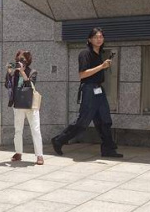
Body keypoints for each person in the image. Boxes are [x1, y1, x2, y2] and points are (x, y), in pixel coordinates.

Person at [51, 27, 122, 158]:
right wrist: (102, 66)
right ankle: (59, 140)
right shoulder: (85, 53)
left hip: (99, 89)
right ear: (89, 39)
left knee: (105, 120)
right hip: (89, 89)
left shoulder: (99, 54)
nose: (99, 39)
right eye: (96, 37)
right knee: (82, 122)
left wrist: (103, 66)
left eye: (101, 37)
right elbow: (82, 75)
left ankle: (108, 149)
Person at [6, 50, 43, 165]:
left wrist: (22, 72)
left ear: (28, 61)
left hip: (30, 104)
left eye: (22, 60)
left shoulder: (32, 72)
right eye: (18, 60)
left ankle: (39, 155)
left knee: (35, 129)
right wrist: (9, 72)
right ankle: (18, 152)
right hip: (18, 104)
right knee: (18, 129)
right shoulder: (14, 73)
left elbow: (29, 85)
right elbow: (7, 86)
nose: (19, 62)